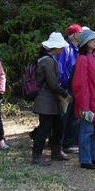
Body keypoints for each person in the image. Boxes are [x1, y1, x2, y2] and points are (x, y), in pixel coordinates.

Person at [31, 32, 72, 165]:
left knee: (57, 126)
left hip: (50, 101)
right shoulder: (48, 61)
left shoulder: (49, 59)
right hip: (46, 100)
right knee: (45, 129)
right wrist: (65, 94)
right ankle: (36, 156)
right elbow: (52, 84)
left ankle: (56, 152)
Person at [71, 28, 95, 169]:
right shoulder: (82, 59)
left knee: (94, 132)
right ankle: (85, 159)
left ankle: (93, 156)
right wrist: (84, 106)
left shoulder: (93, 57)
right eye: (93, 40)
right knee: (86, 131)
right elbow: (80, 85)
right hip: (88, 102)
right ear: (86, 43)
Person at [60, 23, 83, 153]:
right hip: (67, 88)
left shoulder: (77, 49)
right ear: (74, 35)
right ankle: (61, 144)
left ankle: (68, 144)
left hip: (75, 88)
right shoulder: (66, 49)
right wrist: (65, 85)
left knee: (72, 117)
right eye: (80, 33)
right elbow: (61, 69)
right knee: (64, 117)